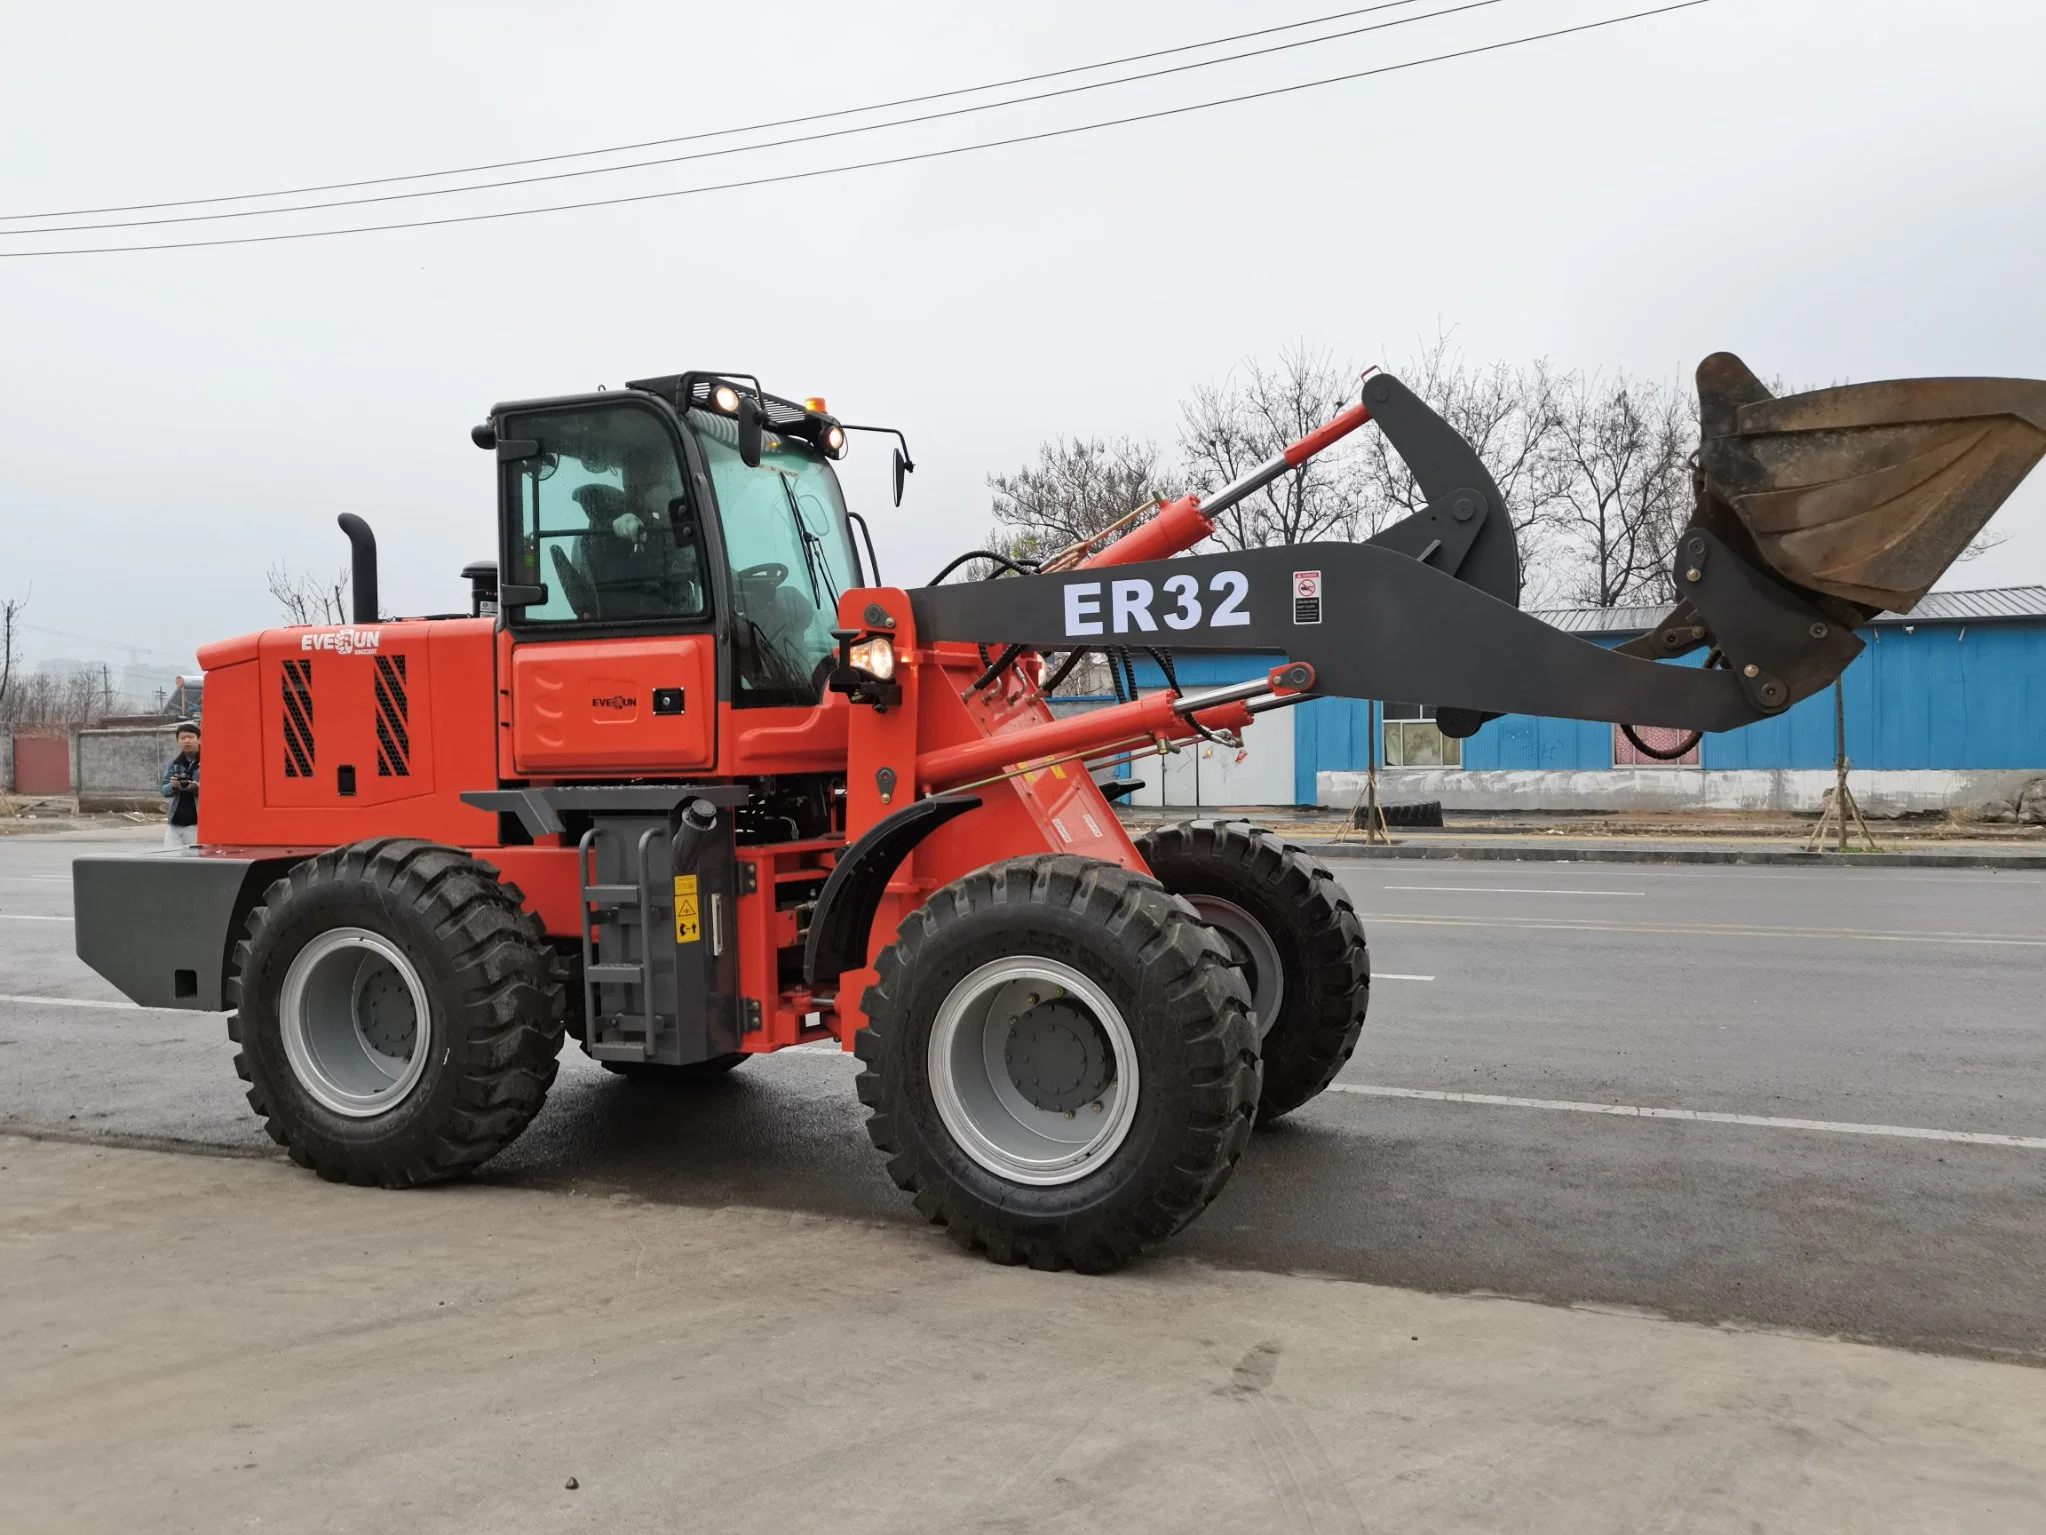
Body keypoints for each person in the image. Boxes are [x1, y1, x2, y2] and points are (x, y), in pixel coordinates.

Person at [160, 722, 201, 848]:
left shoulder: (210, 761)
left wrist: (196, 788)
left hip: (197, 824)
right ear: (178, 741)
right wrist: (174, 786)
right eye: (182, 738)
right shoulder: (176, 764)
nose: (187, 741)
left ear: (199, 739)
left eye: (190, 737)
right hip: (175, 824)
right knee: (172, 862)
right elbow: (164, 790)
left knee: (198, 863)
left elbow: (218, 790)